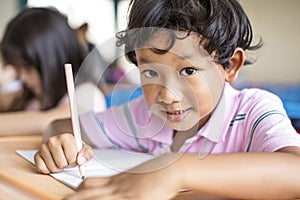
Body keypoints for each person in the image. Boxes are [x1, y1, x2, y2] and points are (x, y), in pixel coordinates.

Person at [34, 0, 300, 199]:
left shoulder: (253, 111)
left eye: (188, 70)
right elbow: (59, 127)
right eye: (150, 72)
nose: (167, 96)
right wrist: (64, 144)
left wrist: (174, 171)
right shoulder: (143, 116)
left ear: (230, 65)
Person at [0, 7, 106, 135]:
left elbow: (52, 122)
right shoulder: (29, 97)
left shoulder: (88, 94)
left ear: (53, 61)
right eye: (18, 68)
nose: (22, 77)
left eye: (28, 69)